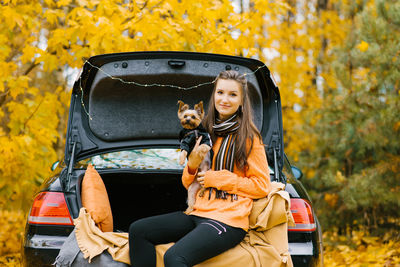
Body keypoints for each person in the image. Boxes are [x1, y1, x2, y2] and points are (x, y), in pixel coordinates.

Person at [128, 70, 271, 267]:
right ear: (214, 96)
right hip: (199, 211)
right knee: (138, 230)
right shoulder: (205, 133)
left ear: (241, 101)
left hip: (228, 220)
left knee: (174, 257)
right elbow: (188, 183)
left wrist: (219, 179)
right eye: (220, 92)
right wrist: (192, 165)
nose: (224, 99)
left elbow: (262, 186)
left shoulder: (250, 138)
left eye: (232, 94)